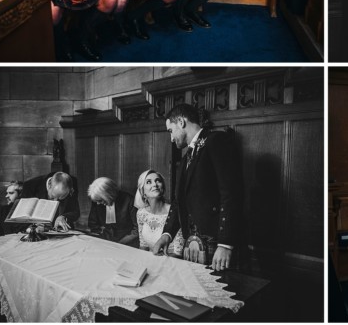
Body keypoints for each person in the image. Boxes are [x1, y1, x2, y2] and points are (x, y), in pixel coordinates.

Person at [152, 104, 243, 271]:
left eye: (170, 131)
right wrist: (167, 235)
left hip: (217, 242)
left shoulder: (216, 140)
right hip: (192, 243)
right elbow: (179, 201)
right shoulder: (186, 157)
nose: (171, 138)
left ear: (181, 122)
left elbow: (231, 193)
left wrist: (225, 244)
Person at [134, 169, 184, 257]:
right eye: (149, 182)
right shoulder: (141, 213)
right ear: (143, 192)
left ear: (163, 188)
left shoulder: (175, 213)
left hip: (171, 262)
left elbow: (178, 253)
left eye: (158, 181)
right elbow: (143, 246)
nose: (155, 184)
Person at [87, 177, 138, 245]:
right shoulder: (97, 202)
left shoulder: (129, 200)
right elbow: (93, 224)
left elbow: (137, 229)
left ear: (108, 195)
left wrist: (120, 243)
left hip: (125, 242)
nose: (98, 203)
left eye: (100, 200)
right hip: (104, 241)